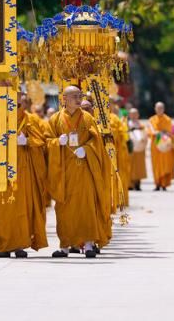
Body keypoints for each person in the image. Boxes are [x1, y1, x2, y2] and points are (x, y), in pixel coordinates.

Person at [46, 86, 109, 258]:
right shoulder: (55, 119)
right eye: (74, 96)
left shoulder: (87, 118)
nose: (78, 99)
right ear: (64, 98)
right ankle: (65, 245)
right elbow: (46, 141)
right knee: (64, 209)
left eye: (79, 96)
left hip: (83, 170)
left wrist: (87, 149)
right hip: (64, 171)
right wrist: (56, 143)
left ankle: (88, 244)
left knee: (86, 206)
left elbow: (97, 142)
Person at [0, 94, 48, 258]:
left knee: (21, 208)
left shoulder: (30, 119)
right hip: (1, 169)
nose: (14, 105)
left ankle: (18, 245)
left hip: (23, 171)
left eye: (17, 102)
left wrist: (28, 141)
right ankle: (3, 245)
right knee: (2, 208)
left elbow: (41, 141)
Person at [147, 102, 174, 191]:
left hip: (165, 144)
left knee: (165, 163)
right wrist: (158, 132)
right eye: (158, 108)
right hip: (155, 143)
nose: (159, 110)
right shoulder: (151, 119)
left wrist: (161, 132)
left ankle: (164, 184)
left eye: (161, 108)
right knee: (156, 164)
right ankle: (157, 183)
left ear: (164, 109)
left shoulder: (168, 119)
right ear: (155, 109)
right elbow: (150, 131)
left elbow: (170, 131)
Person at [127, 108, 147, 191]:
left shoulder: (141, 125)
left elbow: (145, 134)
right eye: (132, 114)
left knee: (139, 166)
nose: (134, 116)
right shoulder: (127, 124)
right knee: (130, 165)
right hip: (131, 148)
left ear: (138, 115)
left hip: (139, 148)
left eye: (135, 114)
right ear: (129, 115)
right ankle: (130, 184)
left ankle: (138, 183)